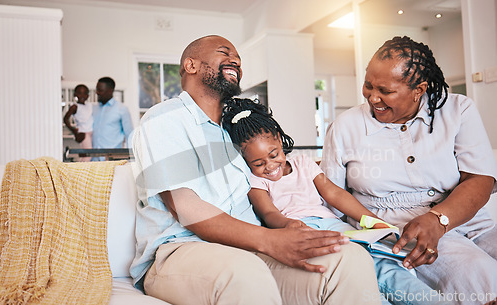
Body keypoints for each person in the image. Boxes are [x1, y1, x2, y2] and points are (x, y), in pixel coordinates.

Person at [130, 35, 383, 305]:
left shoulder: (237, 132)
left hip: (250, 250)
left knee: (348, 259)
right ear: (190, 65)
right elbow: (185, 208)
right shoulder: (165, 119)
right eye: (224, 52)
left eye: (238, 57)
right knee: (244, 272)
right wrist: (270, 240)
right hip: (181, 250)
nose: (235, 60)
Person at [320, 36, 497, 305]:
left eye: (385, 90)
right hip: (399, 227)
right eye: (368, 85)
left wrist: (439, 219)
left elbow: (480, 179)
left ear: (419, 89)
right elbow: (330, 196)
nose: (372, 97)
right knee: (479, 275)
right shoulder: (345, 127)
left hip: (467, 217)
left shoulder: (458, 110)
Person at [222, 97, 448, 305]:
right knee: (360, 278)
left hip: (336, 227)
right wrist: (286, 225)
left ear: (280, 141)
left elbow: (334, 194)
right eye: (259, 163)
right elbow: (268, 212)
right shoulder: (254, 180)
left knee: (387, 268)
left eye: (273, 155)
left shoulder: (302, 162)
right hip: (302, 231)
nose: (270, 166)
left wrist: (372, 221)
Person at [92, 77, 133, 158]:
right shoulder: (94, 109)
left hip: (113, 159)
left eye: (100, 90)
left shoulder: (121, 109)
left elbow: (130, 135)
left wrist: (131, 158)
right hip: (94, 159)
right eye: (97, 89)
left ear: (110, 91)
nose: (97, 93)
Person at [63, 84, 93, 162]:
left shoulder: (89, 105)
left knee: (92, 154)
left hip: (92, 132)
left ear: (88, 95)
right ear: (75, 94)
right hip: (83, 133)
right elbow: (65, 119)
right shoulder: (75, 106)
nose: (82, 95)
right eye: (80, 93)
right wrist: (73, 130)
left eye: (85, 93)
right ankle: (81, 172)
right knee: (88, 156)